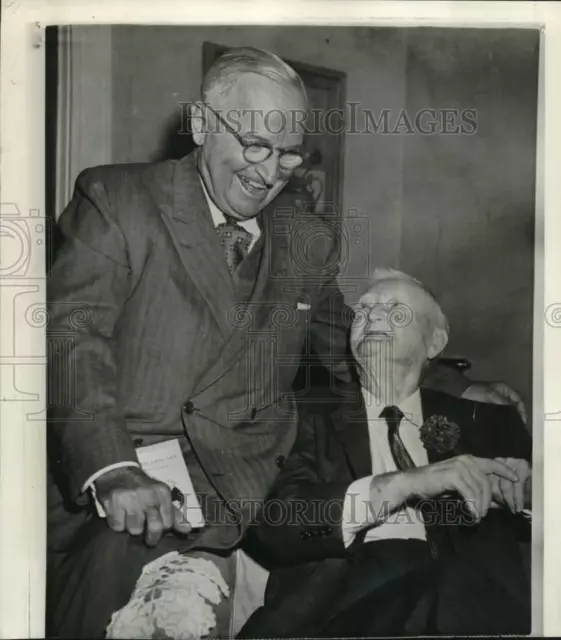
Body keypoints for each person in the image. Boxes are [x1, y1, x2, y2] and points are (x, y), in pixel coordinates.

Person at [46, 47, 524, 639]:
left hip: (242, 486)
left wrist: (456, 382)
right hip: (126, 477)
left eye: (288, 153)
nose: (269, 172)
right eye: (253, 145)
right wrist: (112, 467)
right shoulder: (119, 201)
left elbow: (344, 343)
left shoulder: (304, 238)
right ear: (200, 123)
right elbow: (73, 335)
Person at [240, 268, 531, 639]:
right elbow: (275, 524)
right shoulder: (299, 413)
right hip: (342, 603)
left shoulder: (489, 421)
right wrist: (402, 485)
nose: (373, 316)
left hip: (465, 597)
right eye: (363, 311)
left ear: (434, 343)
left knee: (467, 584)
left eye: (395, 311)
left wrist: (528, 491)